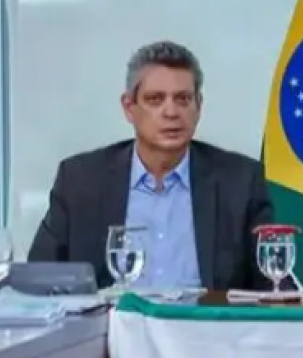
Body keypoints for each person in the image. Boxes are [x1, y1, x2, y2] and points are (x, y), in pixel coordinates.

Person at [28, 40, 273, 290]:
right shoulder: (80, 181)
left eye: (183, 99)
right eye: (155, 99)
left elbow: (272, 285)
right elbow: (37, 280)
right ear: (129, 107)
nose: (171, 112)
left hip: (205, 316)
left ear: (198, 106)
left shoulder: (241, 182)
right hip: (111, 316)